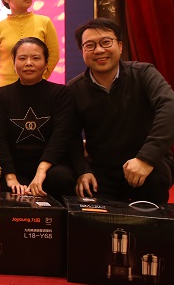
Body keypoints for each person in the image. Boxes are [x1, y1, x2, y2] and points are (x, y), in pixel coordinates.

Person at [68, 18, 174, 204]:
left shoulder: (143, 73)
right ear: (82, 51)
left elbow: (169, 106)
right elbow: (70, 135)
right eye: (90, 45)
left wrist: (146, 159)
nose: (99, 50)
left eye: (106, 42)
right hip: (102, 169)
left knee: (154, 183)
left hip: (148, 162)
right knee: (85, 200)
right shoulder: (74, 88)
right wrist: (83, 170)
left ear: (120, 45)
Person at [0, 37, 77, 201]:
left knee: (61, 178)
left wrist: (41, 171)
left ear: (46, 63)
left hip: (51, 167)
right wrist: (10, 177)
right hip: (16, 169)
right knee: (13, 194)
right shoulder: (2, 95)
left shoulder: (61, 93)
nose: (28, 63)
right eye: (22, 58)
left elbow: (61, 136)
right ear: (14, 62)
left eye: (36, 58)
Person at [0, 0, 59, 88]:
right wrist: (5, 78)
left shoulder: (45, 22)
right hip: (6, 87)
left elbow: (54, 55)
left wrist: (41, 77)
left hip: (38, 86)